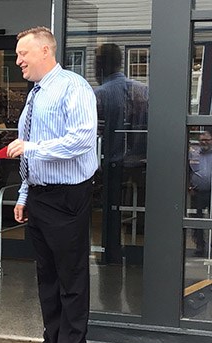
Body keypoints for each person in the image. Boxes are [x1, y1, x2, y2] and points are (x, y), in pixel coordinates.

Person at [6, 27, 98, 343]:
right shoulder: (35, 94)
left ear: (45, 50)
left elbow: (82, 139)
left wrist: (32, 150)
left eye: (22, 55)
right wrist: (25, 195)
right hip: (41, 196)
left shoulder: (73, 87)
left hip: (68, 196)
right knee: (48, 278)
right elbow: (33, 145)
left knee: (71, 279)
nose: (18, 61)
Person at [94, 43, 149, 264]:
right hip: (140, 163)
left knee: (111, 212)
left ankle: (111, 254)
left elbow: (93, 132)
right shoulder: (143, 90)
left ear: (101, 65)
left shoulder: (99, 94)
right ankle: (137, 256)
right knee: (138, 212)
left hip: (112, 163)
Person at [189, 130, 212, 256]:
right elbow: (186, 170)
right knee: (197, 220)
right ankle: (200, 246)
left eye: (207, 140)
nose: (204, 142)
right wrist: (188, 187)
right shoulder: (193, 154)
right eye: (202, 140)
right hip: (198, 192)